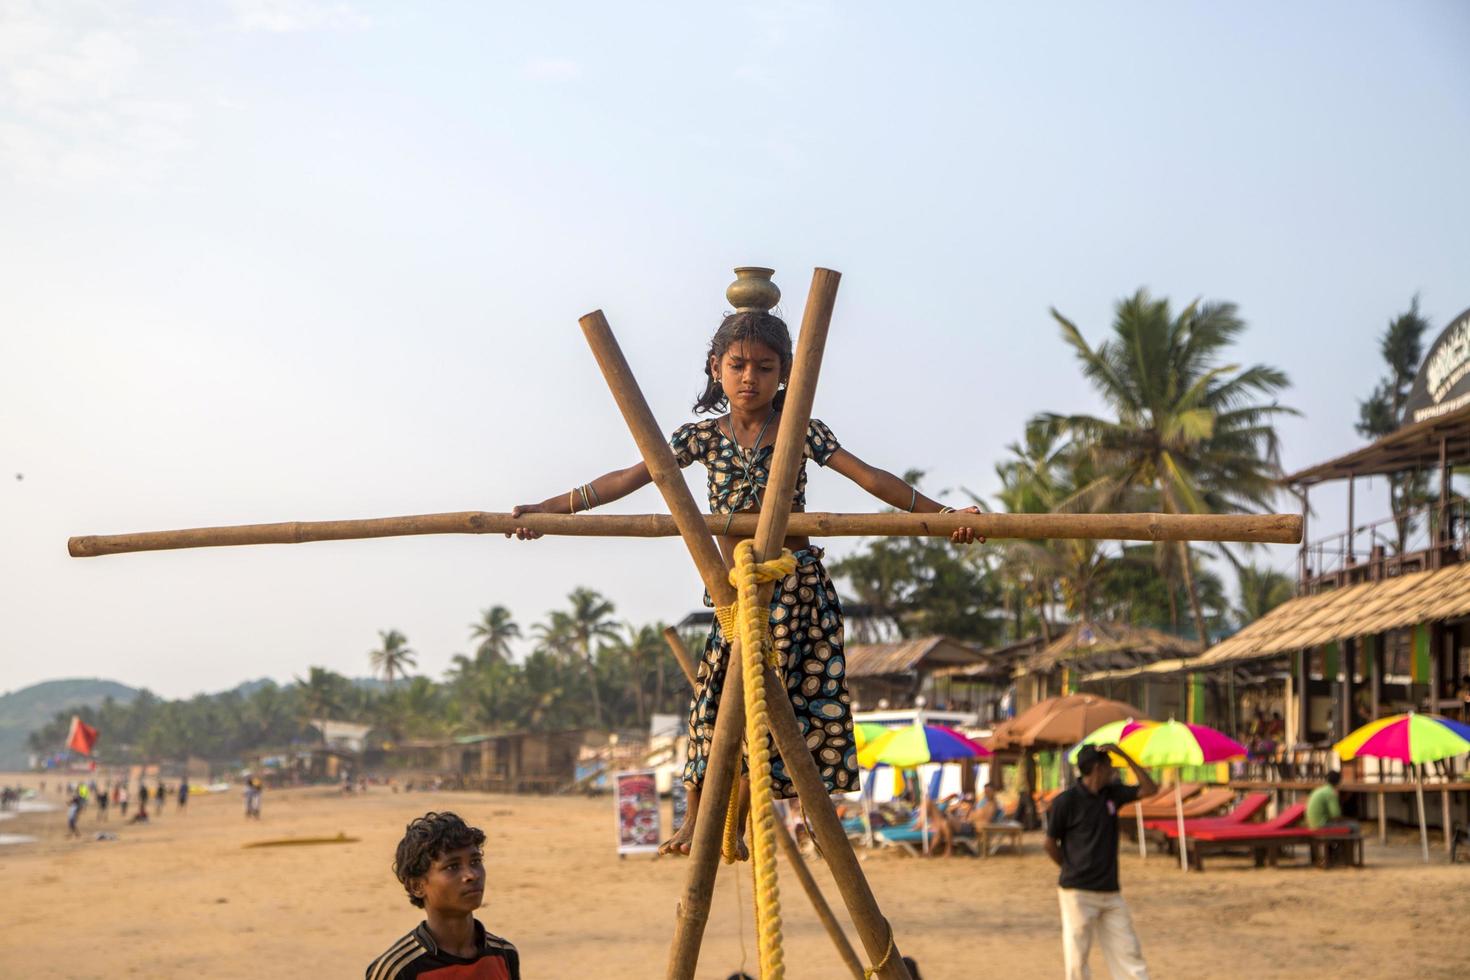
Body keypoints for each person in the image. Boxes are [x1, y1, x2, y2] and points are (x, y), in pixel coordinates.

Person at [508, 295, 982, 857]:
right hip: (735, 592)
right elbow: (626, 479)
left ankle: (800, 821)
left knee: (787, 701)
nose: (749, 378)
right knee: (714, 700)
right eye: (737, 366)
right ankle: (703, 821)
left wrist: (940, 514)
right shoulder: (701, 437)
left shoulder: (800, 430)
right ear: (716, 369)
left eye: (764, 367)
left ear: (785, 374)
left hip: (795, 588)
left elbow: (871, 479)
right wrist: (549, 511)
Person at [1045, 743, 1157, 980]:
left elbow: (1150, 789)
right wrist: (1071, 867)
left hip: (1110, 892)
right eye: (1109, 766)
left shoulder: (1112, 795)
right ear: (1097, 768)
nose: (1113, 771)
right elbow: (1049, 843)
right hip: (1077, 892)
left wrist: (1124, 755)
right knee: (1077, 959)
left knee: (1129, 951)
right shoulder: (1066, 801)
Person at [365, 812, 519, 980]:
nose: (471, 875)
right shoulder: (398, 970)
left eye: (475, 861)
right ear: (417, 886)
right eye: (452, 866)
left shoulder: (503, 954)